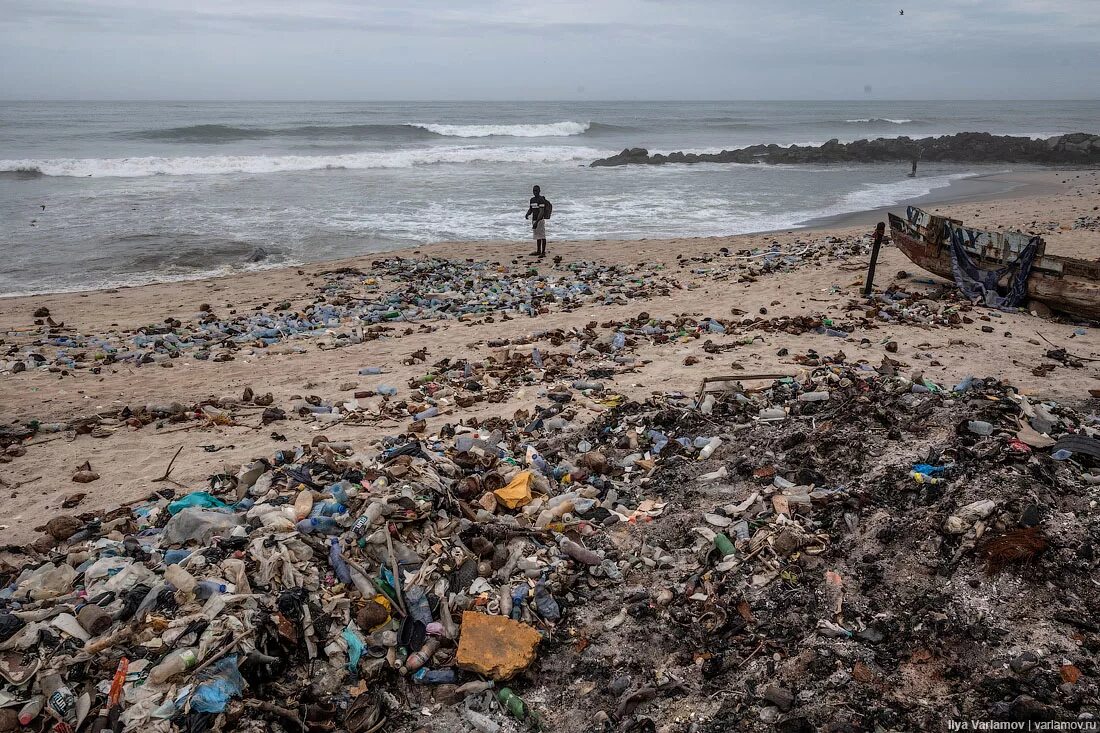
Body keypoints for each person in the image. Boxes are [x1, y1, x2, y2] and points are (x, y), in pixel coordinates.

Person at [525, 185, 551, 257]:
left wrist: (537, 222)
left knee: (542, 236)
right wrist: (527, 214)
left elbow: (541, 212)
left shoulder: (541, 200)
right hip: (534, 220)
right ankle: (538, 251)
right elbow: (531, 209)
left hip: (540, 220)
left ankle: (543, 252)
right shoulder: (532, 200)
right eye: (534, 191)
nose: (535, 192)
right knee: (537, 236)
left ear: (539, 191)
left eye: (536, 191)